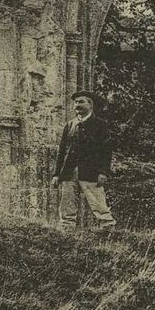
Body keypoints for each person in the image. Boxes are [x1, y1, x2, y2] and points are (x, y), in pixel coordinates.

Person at [50, 90, 117, 231]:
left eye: (81, 102)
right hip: (69, 172)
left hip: (91, 171)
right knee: (67, 203)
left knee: (98, 202)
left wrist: (103, 172)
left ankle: (107, 227)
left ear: (90, 105)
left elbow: (106, 151)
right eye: (75, 102)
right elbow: (62, 151)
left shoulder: (100, 125)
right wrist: (57, 174)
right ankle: (67, 230)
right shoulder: (69, 125)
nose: (77, 105)